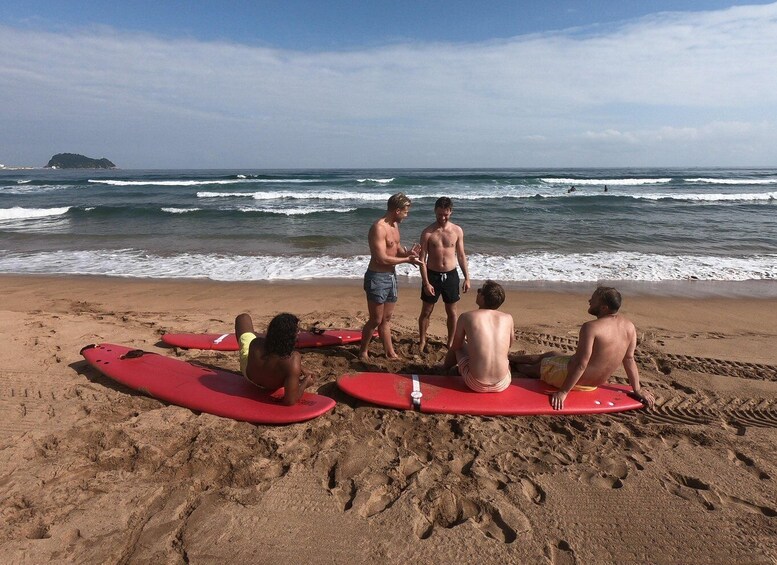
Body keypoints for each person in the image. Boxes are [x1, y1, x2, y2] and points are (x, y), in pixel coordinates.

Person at [510, 286, 655, 410]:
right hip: (595, 383)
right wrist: (637, 389)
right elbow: (629, 359)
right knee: (553, 354)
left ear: (604, 308)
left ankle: (516, 365)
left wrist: (563, 392)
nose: (589, 301)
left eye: (593, 300)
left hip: (572, 380)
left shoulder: (591, 328)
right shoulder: (629, 327)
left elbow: (581, 364)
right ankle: (511, 357)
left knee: (540, 365)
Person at [359, 192, 423, 361]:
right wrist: (406, 260)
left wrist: (408, 254)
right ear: (397, 210)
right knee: (375, 319)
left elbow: (397, 247)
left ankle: (390, 353)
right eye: (405, 211)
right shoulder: (378, 228)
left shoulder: (395, 225)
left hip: (391, 276)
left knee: (386, 319)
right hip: (377, 277)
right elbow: (381, 258)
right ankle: (363, 351)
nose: (407, 215)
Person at [441, 280, 514, 392]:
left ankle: (445, 369)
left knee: (459, 346)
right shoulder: (508, 318)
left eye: (480, 291)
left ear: (483, 297)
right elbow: (510, 344)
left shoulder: (466, 317)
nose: (477, 292)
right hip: (502, 383)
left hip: (475, 383)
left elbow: (456, 346)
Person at [418, 196, 470, 352]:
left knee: (452, 312)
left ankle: (451, 341)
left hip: (451, 275)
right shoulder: (427, 233)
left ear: (451, 212)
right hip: (432, 275)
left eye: (445, 214)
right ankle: (422, 340)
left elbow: (461, 255)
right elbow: (422, 260)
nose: (442, 217)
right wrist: (426, 282)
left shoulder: (457, 231)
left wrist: (467, 277)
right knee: (426, 311)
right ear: (435, 211)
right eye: (439, 214)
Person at [235, 312, 315, 405]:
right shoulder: (293, 360)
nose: (298, 335)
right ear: (290, 337)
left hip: (250, 377)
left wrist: (300, 368)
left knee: (243, 318)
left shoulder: (256, 343)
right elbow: (290, 401)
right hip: (272, 386)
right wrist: (305, 383)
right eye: (297, 332)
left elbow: (272, 354)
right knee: (290, 368)